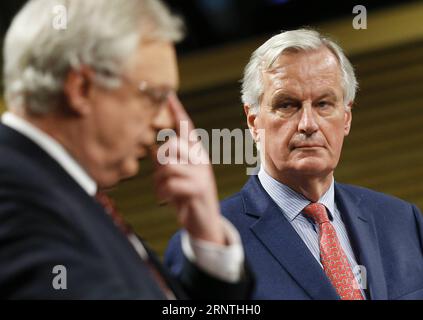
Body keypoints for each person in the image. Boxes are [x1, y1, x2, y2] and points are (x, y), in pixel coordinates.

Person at [0, 0, 253, 299]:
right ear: (81, 88)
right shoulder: (13, 194)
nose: (165, 122)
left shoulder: (62, 191)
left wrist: (206, 232)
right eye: (154, 97)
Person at [165, 29, 423, 300]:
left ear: (346, 118)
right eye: (287, 105)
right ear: (253, 121)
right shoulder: (210, 247)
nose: (308, 124)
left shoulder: (403, 221)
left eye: (324, 104)